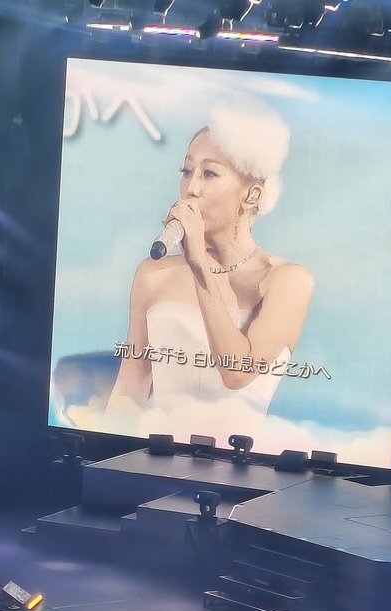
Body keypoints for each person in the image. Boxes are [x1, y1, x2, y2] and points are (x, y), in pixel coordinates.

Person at [102, 97, 313, 444]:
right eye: (187, 172)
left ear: (251, 195)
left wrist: (202, 268)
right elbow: (131, 385)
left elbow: (236, 373)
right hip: (157, 458)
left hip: (244, 466)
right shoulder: (153, 274)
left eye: (209, 173)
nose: (191, 188)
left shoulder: (287, 281)